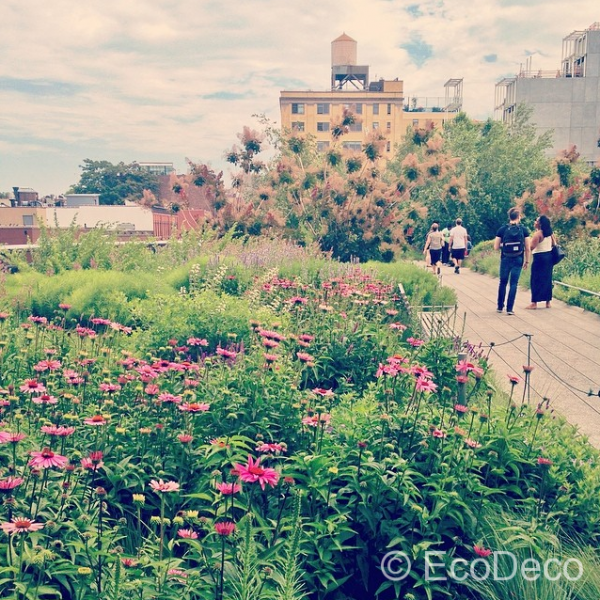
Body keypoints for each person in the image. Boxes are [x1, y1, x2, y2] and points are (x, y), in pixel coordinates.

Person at [494, 207, 531, 315]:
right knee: (513, 283)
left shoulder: (502, 229)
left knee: (503, 282)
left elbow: (496, 247)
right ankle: (510, 309)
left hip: (505, 258)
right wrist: (527, 261)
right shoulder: (524, 230)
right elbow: (527, 248)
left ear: (509, 216)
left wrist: (504, 246)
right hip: (518, 259)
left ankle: (500, 307)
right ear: (519, 216)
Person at [525, 215, 554, 309]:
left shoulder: (538, 234)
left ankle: (534, 303)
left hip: (539, 258)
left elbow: (531, 247)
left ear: (540, 224)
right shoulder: (550, 233)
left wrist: (526, 243)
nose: (534, 222)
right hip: (549, 257)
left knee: (536, 279)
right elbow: (554, 244)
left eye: (536, 221)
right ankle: (548, 302)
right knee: (547, 279)